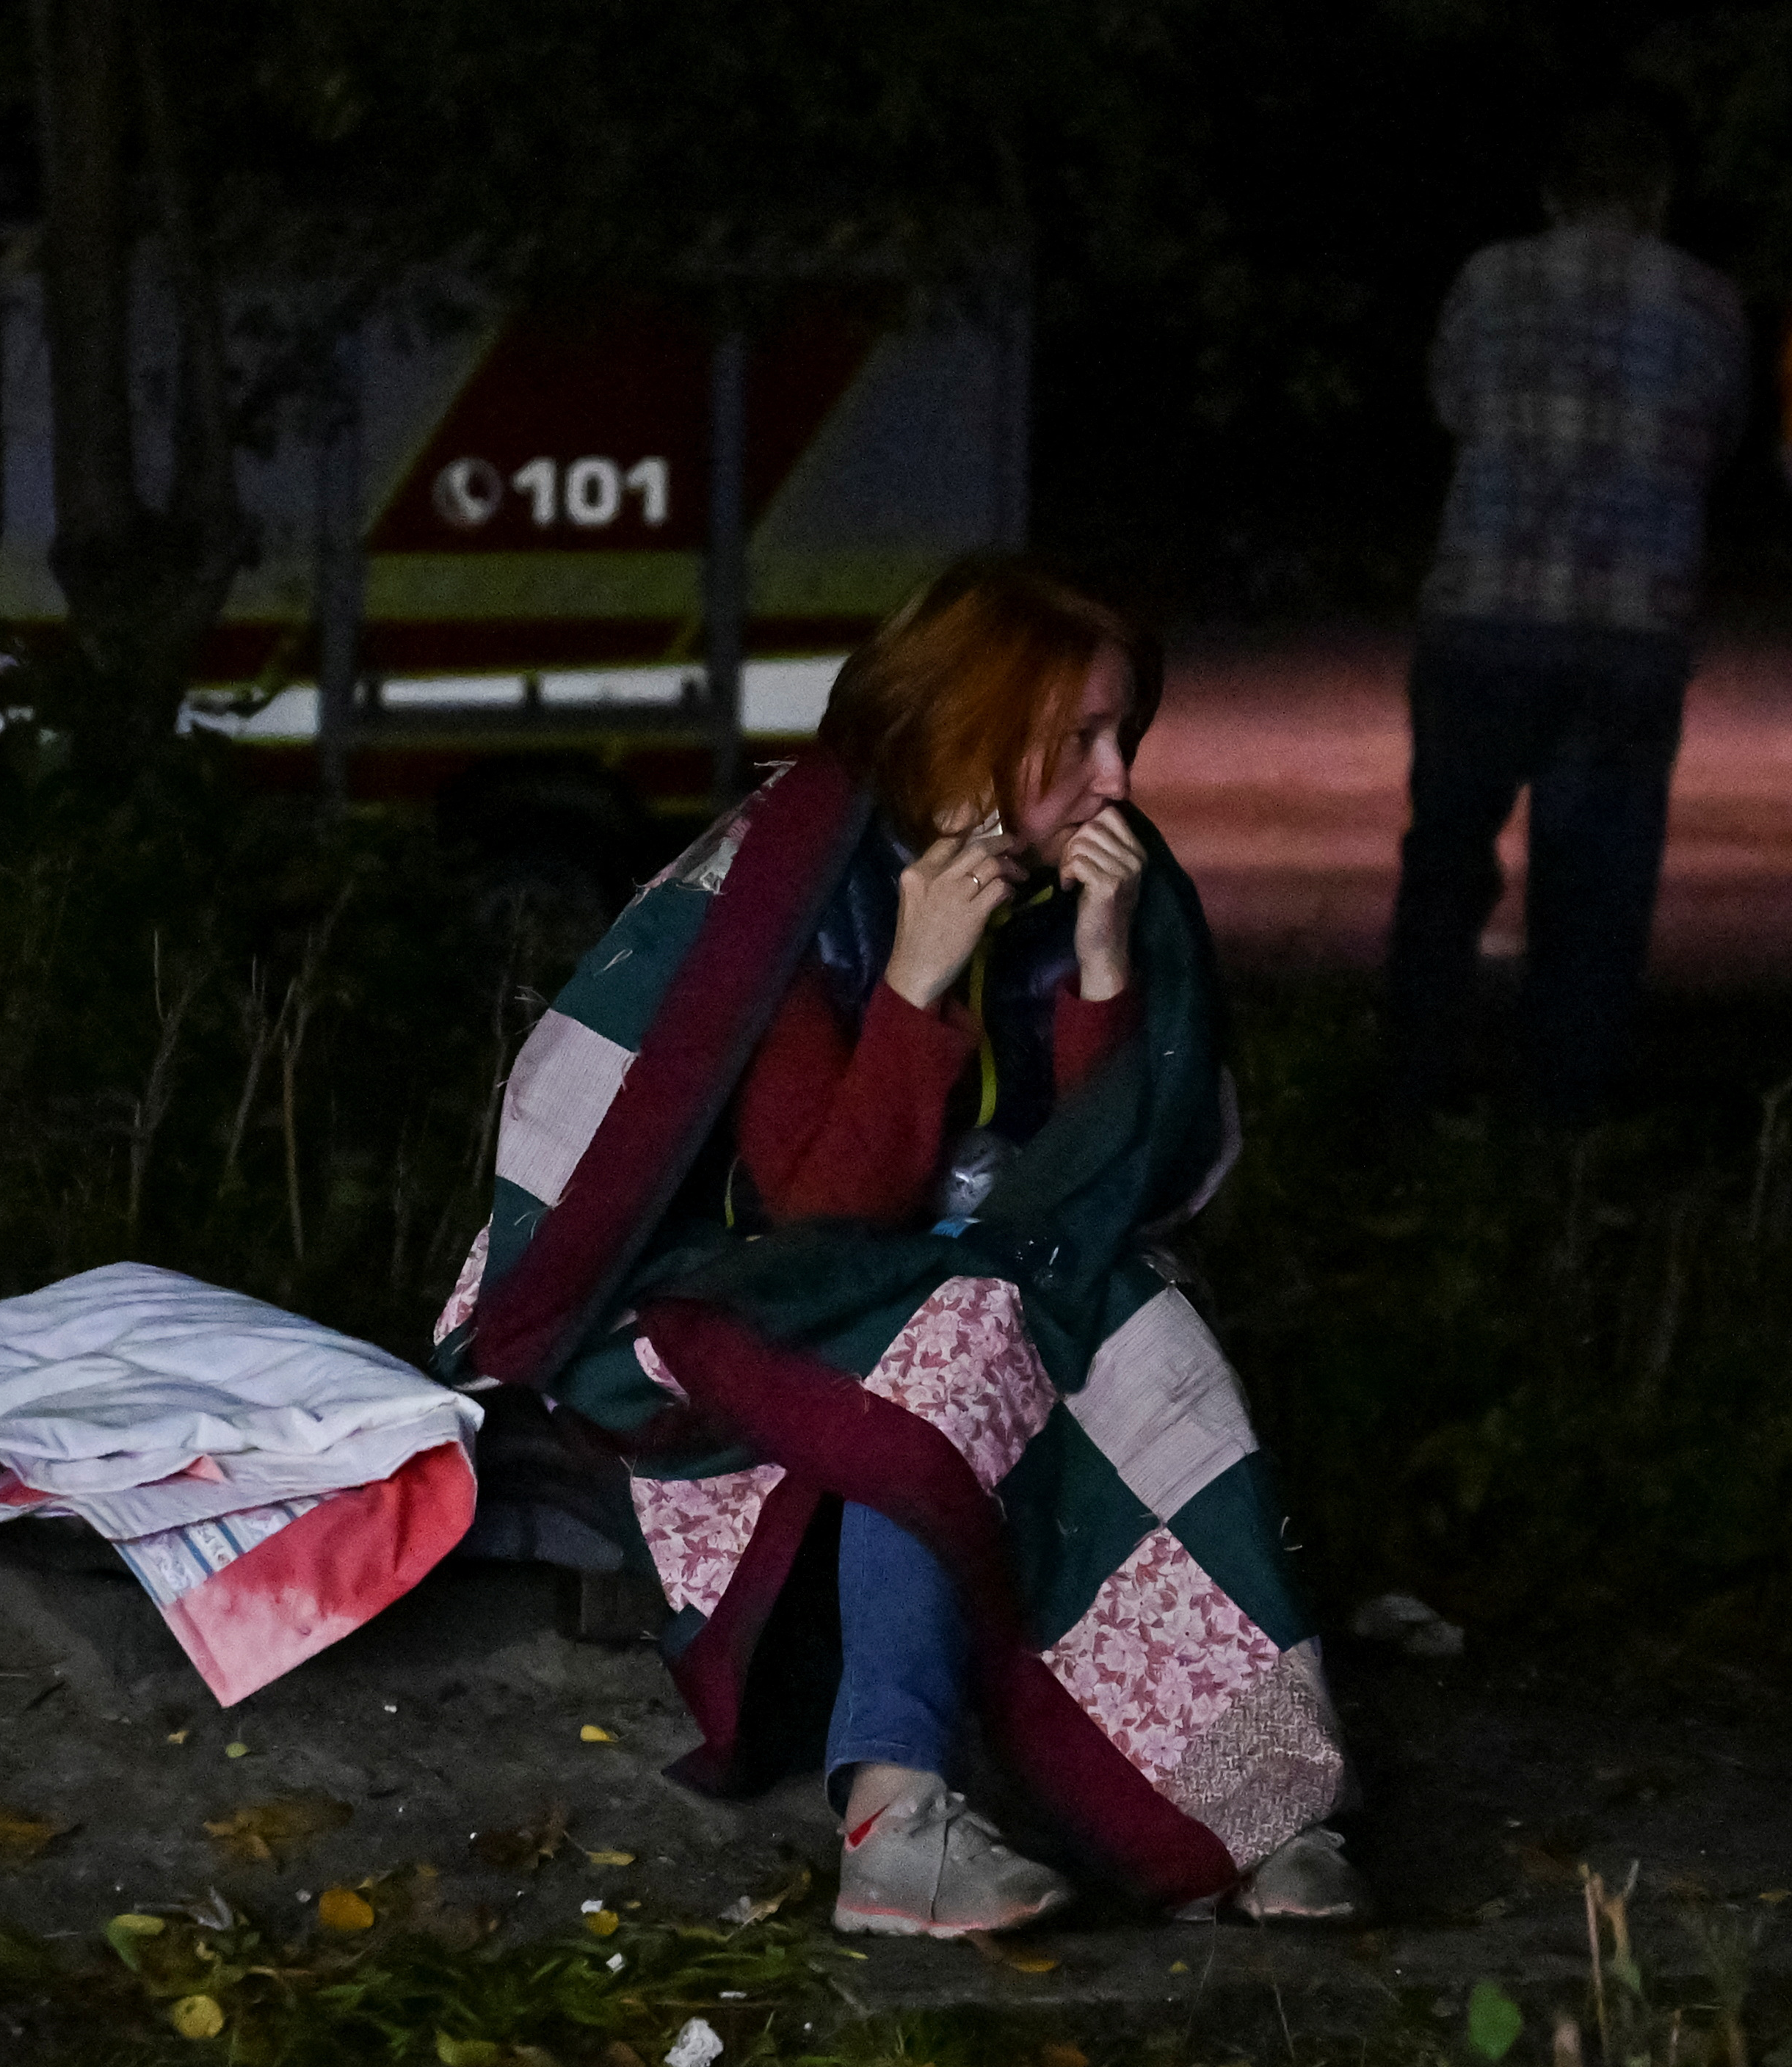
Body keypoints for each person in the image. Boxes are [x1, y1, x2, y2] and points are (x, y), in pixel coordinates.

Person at [437, 558, 1361, 1939]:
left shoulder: (1114, 880)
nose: (1117, 778)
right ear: (969, 733)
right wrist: (918, 978)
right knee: (949, 1360)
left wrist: (1104, 970)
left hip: (1002, 1271)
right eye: (1078, 742)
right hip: (741, 1296)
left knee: (1142, 1339)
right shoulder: (789, 881)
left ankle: (1262, 1808)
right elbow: (823, 1211)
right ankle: (896, 1819)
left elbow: (1132, 1184)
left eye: (1124, 736)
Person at [1385, 101, 1746, 1122]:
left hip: (1485, 614)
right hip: (1631, 626)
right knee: (1595, 892)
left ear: (1552, 194)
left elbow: (1452, 406)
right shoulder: (1706, 303)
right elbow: (1712, 444)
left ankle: (1415, 1089)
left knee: (1447, 861)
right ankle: (1567, 1118)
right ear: (1658, 194)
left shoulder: (1487, 282)